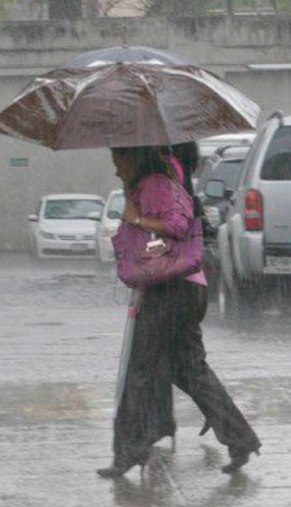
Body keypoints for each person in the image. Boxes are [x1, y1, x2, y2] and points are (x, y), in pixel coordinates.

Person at [98, 146, 261, 478]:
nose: (116, 170)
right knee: (189, 370)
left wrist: (136, 218)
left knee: (139, 370)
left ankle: (130, 451)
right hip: (185, 288)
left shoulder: (156, 182)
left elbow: (177, 224)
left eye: (118, 161)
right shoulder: (155, 181)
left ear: (134, 158)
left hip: (171, 290)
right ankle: (240, 438)